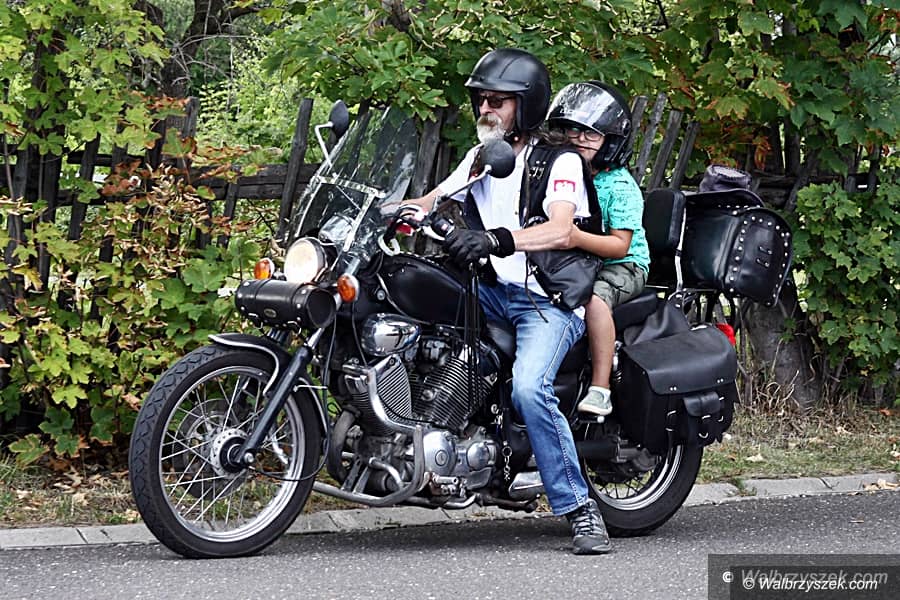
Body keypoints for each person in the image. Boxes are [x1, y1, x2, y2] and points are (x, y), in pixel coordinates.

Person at [406, 48, 611, 555]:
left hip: (547, 300)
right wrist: (386, 211)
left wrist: (496, 239)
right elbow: (432, 200)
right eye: (481, 99)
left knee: (529, 389)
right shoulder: (484, 155)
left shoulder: (560, 161)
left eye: (498, 101)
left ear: (528, 105)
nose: (485, 109)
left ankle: (579, 508)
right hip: (494, 291)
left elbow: (561, 229)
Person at [546, 81, 649, 417]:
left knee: (594, 298)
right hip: (577, 259)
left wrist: (573, 237)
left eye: (591, 133)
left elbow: (620, 246)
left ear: (611, 142)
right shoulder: (561, 176)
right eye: (572, 130)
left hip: (623, 265)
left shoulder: (619, 186)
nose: (579, 139)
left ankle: (600, 388)